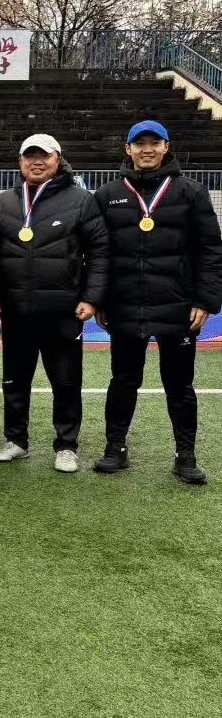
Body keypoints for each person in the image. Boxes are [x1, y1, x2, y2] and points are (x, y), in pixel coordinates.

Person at [92, 121, 222, 483]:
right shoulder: (108, 195)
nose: (147, 149)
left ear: (166, 147)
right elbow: (98, 253)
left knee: (179, 385)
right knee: (123, 380)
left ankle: (186, 456)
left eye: (154, 142)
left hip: (177, 307)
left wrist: (205, 300)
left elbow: (211, 251)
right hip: (124, 305)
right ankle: (115, 448)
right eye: (139, 143)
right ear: (128, 149)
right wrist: (99, 298)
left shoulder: (192, 192)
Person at [0, 134, 109, 472]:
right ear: (20, 161)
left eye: (44, 155)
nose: (37, 162)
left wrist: (91, 297)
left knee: (66, 383)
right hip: (16, 310)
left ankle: (66, 446)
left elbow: (99, 253)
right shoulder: (4, 203)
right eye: (30, 156)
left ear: (58, 158)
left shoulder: (81, 200)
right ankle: (16, 441)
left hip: (63, 311)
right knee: (14, 381)